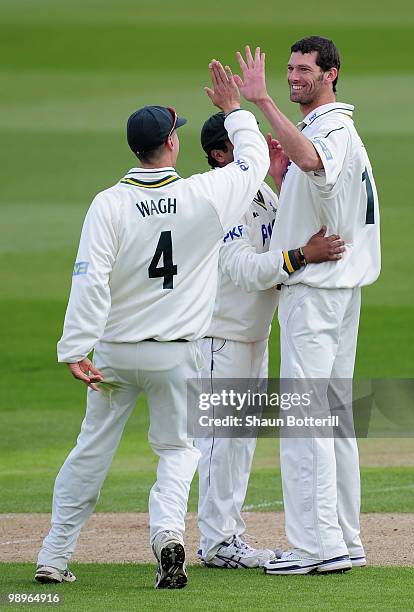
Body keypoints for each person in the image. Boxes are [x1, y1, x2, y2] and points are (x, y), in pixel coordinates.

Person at [34, 59, 271, 590]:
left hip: (115, 351)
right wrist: (234, 111)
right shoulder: (204, 195)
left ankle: (53, 555)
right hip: (177, 354)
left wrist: (75, 346)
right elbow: (253, 163)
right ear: (171, 143)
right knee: (178, 451)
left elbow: (89, 279)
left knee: (90, 450)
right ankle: (168, 539)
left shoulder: (108, 203)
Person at [232, 38, 381, 575]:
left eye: (304, 70)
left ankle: (316, 548)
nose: (295, 77)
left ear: (331, 74)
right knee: (333, 417)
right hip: (337, 290)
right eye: (290, 69)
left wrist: (262, 102)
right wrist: (280, 175)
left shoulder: (332, 128)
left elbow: (317, 162)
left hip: (316, 292)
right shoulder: (331, 127)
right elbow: (320, 188)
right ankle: (344, 539)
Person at [196, 112, 347, 569]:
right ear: (221, 155)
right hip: (219, 338)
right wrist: (302, 255)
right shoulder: (219, 201)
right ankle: (218, 542)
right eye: (240, 144)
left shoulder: (259, 191)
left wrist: (282, 181)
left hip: (252, 336)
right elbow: (243, 268)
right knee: (221, 444)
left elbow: (281, 233)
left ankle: (226, 539)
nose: (257, 149)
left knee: (238, 443)